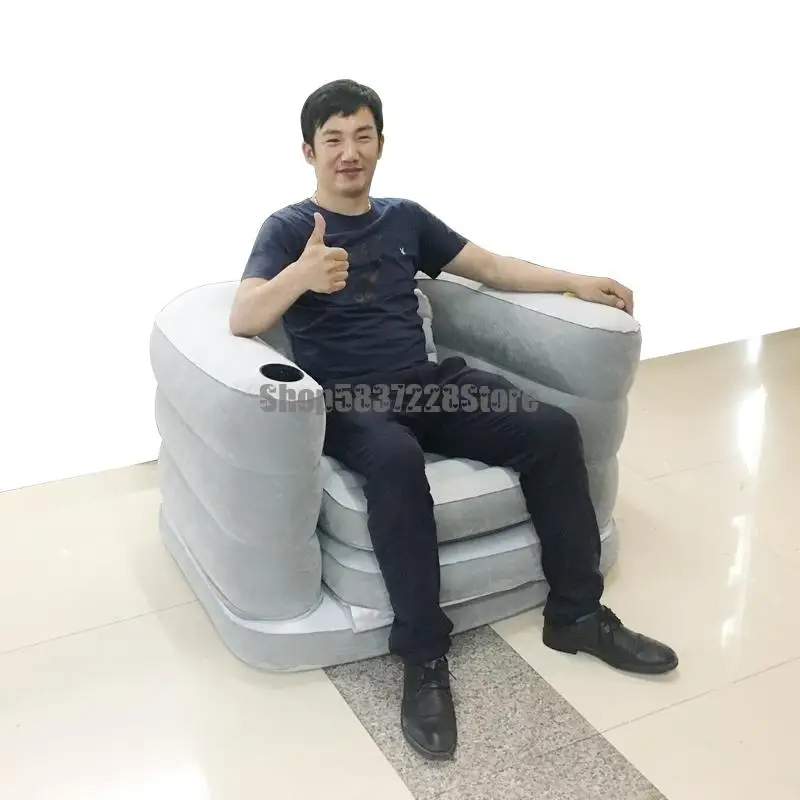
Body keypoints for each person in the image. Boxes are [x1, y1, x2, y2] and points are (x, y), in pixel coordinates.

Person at [230, 78, 678, 761]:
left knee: (552, 430)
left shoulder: (405, 218)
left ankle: (578, 614)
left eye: (362, 136)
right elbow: (244, 317)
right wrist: (300, 276)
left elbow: (490, 266)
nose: (349, 152)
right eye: (333, 139)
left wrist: (572, 280)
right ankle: (423, 657)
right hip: (349, 400)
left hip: (426, 385)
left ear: (381, 144)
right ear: (308, 152)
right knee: (395, 460)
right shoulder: (289, 229)